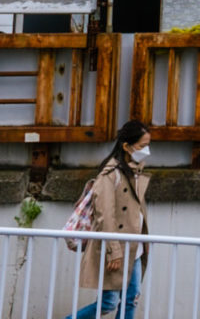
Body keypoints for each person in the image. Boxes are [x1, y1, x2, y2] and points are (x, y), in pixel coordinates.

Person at [65, 120, 151, 319]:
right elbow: (105, 215)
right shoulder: (110, 174)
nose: (146, 150)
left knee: (131, 299)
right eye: (142, 146)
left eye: (148, 145)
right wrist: (113, 250)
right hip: (117, 248)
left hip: (134, 247)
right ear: (127, 147)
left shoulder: (135, 170)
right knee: (108, 303)